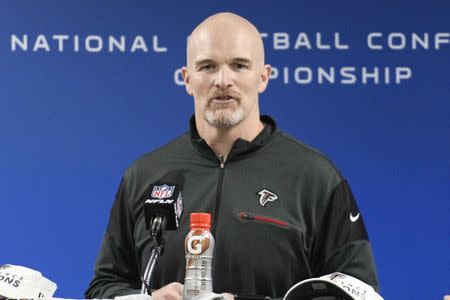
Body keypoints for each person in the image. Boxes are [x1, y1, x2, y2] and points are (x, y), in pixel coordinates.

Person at [85, 12, 379, 299]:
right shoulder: (145, 175)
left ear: (263, 77)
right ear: (187, 79)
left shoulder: (317, 178)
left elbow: (358, 291)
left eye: (239, 65)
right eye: (208, 66)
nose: (223, 80)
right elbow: (104, 287)